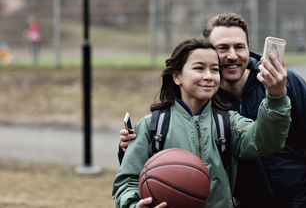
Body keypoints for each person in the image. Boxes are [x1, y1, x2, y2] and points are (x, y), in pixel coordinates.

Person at [119, 13, 306, 207]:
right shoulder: (197, 107)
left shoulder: (282, 85)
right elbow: (143, 170)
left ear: (248, 48)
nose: (232, 56)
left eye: (239, 47)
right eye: (222, 48)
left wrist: (276, 95)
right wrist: (128, 150)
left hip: (304, 201)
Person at [113, 38, 292, 208]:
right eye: (199, 68)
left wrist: (276, 98)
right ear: (177, 77)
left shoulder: (229, 122)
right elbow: (127, 181)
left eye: (215, 70)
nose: (208, 76)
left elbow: (266, 140)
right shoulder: (153, 125)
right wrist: (134, 204)